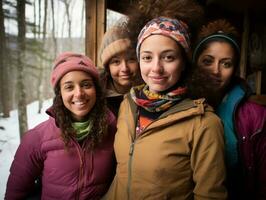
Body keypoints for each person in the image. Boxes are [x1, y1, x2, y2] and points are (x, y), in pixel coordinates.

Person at [104, 3, 227, 199]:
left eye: (168, 57)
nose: (156, 68)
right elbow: (121, 177)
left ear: (184, 62)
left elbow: (210, 195)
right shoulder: (128, 105)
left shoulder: (204, 124)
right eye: (146, 57)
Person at [5, 52, 117, 200]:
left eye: (86, 85)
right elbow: (15, 194)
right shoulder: (37, 138)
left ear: (96, 90)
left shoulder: (113, 130)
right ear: (60, 94)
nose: (79, 93)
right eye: (69, 87)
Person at [192, 19, 266, 200]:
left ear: (234, 69)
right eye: (208, 61)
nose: (216, 71)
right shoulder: (178, 107)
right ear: (195, 63)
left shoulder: (256, 115)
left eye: (226, 64)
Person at [98, 23, 142, 117]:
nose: (125, 68)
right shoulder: (97, 95)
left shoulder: (149, 89)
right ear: (107, 67)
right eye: (116, 62)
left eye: (131, 59)